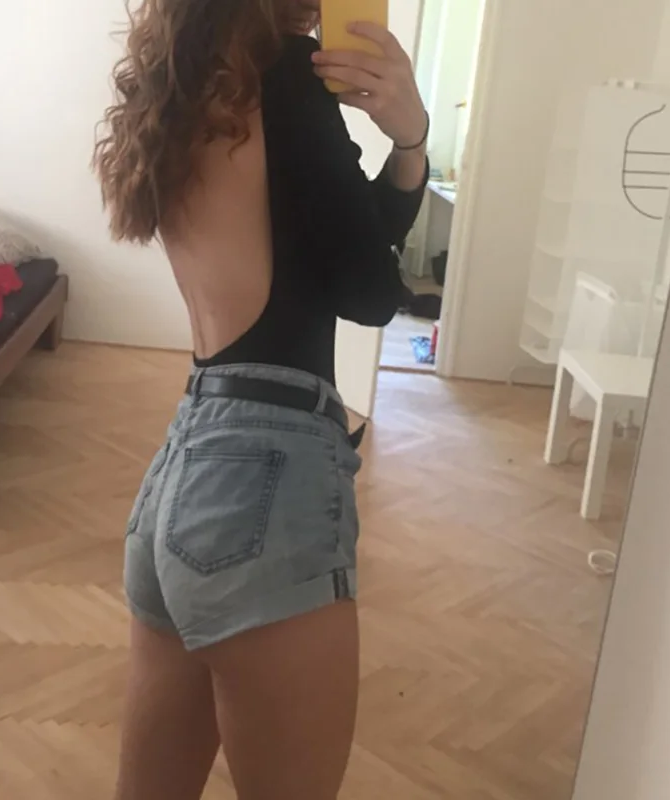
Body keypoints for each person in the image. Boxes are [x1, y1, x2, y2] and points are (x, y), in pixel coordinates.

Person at [93, 1, 429, 797]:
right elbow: (372, 293)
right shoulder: (287, 83)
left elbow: (336, 242)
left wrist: (403, 154)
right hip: (269, 481)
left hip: (185, 467)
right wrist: (411, 135)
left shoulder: (189, 85)